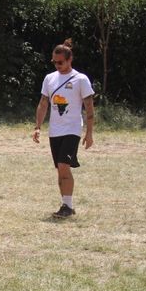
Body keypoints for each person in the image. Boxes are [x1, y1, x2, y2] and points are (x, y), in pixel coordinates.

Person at [31, 39, 95, 219]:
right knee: (60, 169)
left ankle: (67, 206)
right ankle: (66, 205)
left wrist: (89, 133)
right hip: (55, 130)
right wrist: (38, 127)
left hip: (72, 129)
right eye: (54, 62)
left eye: (60, 62)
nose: (57, 65)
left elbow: (89, 108)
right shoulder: (49, 78)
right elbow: (43, 103)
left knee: (64, 166)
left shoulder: (80, 79)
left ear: (69, 59)